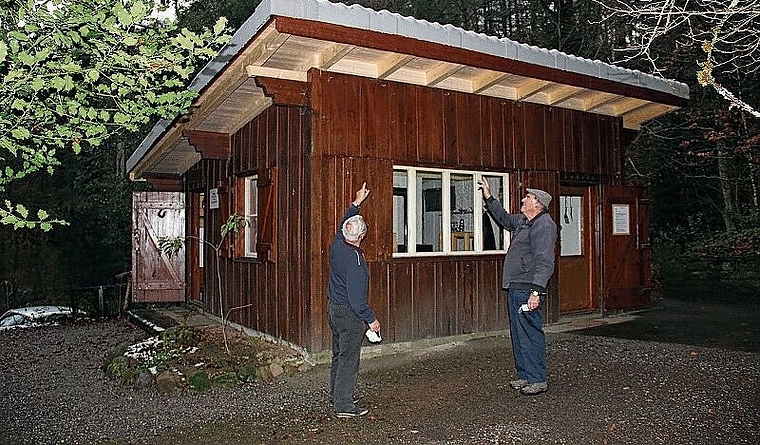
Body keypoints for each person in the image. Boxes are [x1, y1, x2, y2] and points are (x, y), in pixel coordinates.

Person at [477, 178, 557, 395]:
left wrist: (537, 291)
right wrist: (489, 196)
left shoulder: (544, 226)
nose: (524, 199)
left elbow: (545, 261)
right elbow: (502, 218)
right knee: (518, 332)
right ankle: (525, 375)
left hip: (528, 288)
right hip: (515, 286)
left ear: (537, 204)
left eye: (528, 197)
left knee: (530, 332)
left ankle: (537, 379)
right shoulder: (524, 221)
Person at [328, 182, 381, 418]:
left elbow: (342, 224)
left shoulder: (337, 244)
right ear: (360, 236)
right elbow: (358, 301)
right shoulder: (356, 262)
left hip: (333, 309)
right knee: (349, 359)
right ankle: (344, 406)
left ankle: (337, 395)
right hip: (349, 314)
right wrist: (372, 320)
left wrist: (357, 202)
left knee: (338, 355)